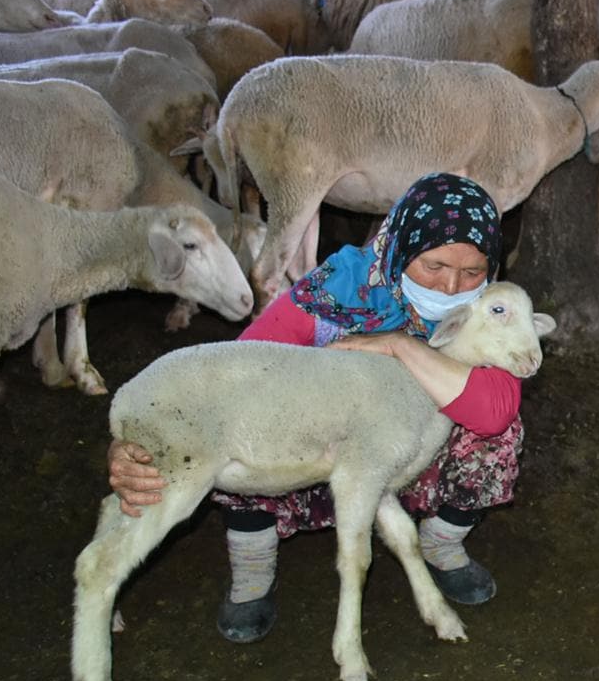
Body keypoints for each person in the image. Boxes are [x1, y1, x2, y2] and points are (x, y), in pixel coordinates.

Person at [109, 172, 523, 644]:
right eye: (433, 265)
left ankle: (440, 544)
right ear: (403, 245)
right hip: (322, 444)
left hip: (406, 455)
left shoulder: (491, 309)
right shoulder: (340, 288)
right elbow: (236, 372)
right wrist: (141, 440)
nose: (451, 287)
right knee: (247, 419)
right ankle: (252, 563)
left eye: (472, 272)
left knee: (496, 432)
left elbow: (496, 406)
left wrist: (399, 346)